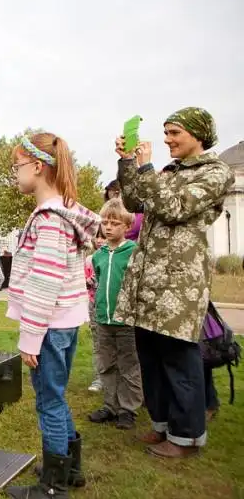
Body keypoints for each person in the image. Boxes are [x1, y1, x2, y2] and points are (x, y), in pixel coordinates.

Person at [113, 107, 234, 458]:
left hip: (179, 282)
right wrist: (126, 163)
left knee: (179, 360)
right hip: (148, 277)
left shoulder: (215, 172)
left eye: (175, 133)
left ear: (198, 135)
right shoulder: (169, 171)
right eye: (165, 133)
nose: (167, 140)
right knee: (150, 357)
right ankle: (162, 425)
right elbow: (137, 202)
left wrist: (149, 169)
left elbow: (175, 208)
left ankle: (188, 437)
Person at [5, 133, 100, 499]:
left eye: (17, 167)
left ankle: (52, 486)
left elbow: (44, 283)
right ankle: (69, 469)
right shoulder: (66, 213)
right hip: (65, 323)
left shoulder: (48, 219)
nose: (14, 174)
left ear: (37, 166)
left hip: (48, 326)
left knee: (49, 401)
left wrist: (30, 337)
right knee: (56, 396)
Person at [87, 199, 143, 430]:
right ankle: (110, 405)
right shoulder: (99, 255)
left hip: (126, 319)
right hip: (103, 318)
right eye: (105, 223)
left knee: (129, 365)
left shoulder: (133, 251)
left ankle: (128, 409)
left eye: (114, 223)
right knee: (106, 364)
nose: (108, 227)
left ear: (126, 226)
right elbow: (99, 281)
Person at [86, 230, 106, 393]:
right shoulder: (89, 260)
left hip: (112, 306)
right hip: (94, 305)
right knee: (98, 342)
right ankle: (100, 377)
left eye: (103, 237)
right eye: (97, 236)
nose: (99, 240)